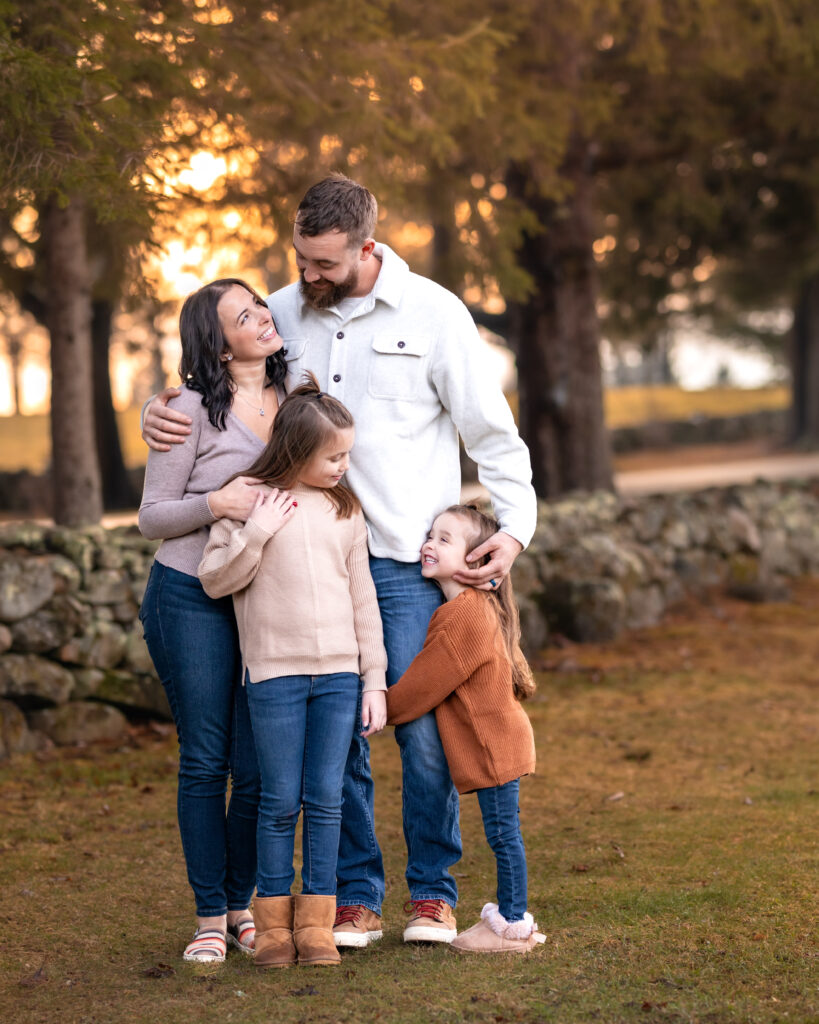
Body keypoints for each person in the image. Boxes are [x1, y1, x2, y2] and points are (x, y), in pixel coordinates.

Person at [142, 174, 538, 948]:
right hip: (296, 563)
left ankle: (431, 895)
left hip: (401, 559)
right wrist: (162, 406)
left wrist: (514, 529)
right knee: (339, 741)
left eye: (324, 263)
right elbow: (219, 382)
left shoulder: (434, 314)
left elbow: (492, 435)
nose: (307, 277)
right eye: (300, 259)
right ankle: (354, 897)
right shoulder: (285, 315)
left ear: (366, 246)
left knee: (421, 734)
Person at [197, 375, 388, 968]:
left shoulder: (345, 510)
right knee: (279, 801)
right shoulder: (249, 501)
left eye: (347, 454)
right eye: (334, 456)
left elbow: (363, 599)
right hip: (274, 677)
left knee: (326, 800)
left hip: (338, 678)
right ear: (297, 451)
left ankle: (316, 927)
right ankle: (274, 928)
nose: (343, 465)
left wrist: (374, 678)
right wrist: (256, 533)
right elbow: (215, 579)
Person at [138, 277, 287, 963]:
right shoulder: (187, 409)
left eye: (260, 307)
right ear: (219, 345)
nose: (261, 318)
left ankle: (240, 902)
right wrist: (218, 503)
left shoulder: (297, 396)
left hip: (263, 597)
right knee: (206, 760)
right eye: (242, 316)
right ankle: (207, 917)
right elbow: (151, 517)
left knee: (255, 769)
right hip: (188, 594)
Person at [386, 505, 546, 953]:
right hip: (499, 742)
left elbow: (423, 686)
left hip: (495, 747)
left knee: (503, 834)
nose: (428, 545)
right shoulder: (467, 609)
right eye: (429, 535)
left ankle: (513, 927)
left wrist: (381, 708)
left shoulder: (464, 616)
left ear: (475, 560)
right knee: (504, 833)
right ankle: (513, 921)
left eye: (443, 539)